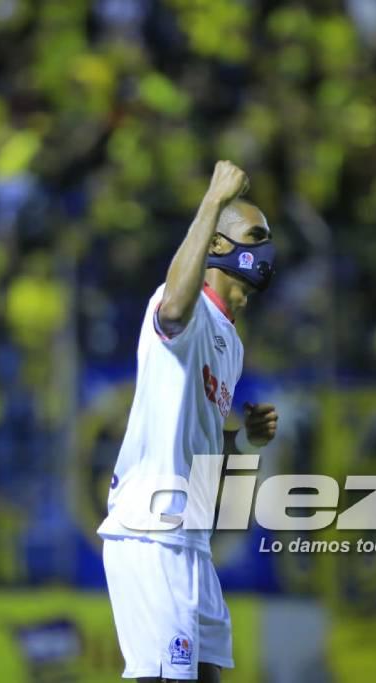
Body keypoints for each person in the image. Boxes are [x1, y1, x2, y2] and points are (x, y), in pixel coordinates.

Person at [98, 161, 280, 682]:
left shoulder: (232, 344)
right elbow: (175, 305)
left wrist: (245, 440)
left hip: (190, 540)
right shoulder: (182, 305)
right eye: (256, 236)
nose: (267, 251)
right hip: (151, 532)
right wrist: (211, 200)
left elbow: (202, 455)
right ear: (219, 246)